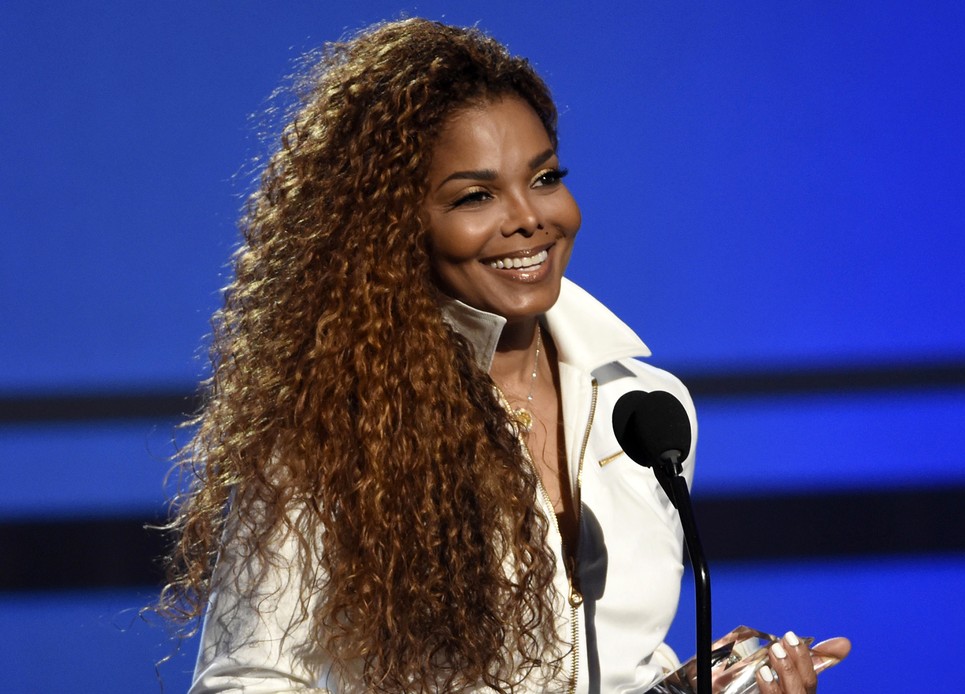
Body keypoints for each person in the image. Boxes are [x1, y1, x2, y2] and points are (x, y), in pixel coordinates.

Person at [160, 18, 846, 693]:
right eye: (476, 195)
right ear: (392, 224)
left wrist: (683, 687)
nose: (529, 217)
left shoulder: (644, 407)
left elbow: (616, 660)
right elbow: (244, 682)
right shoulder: (328, 430)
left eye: (545, 178)